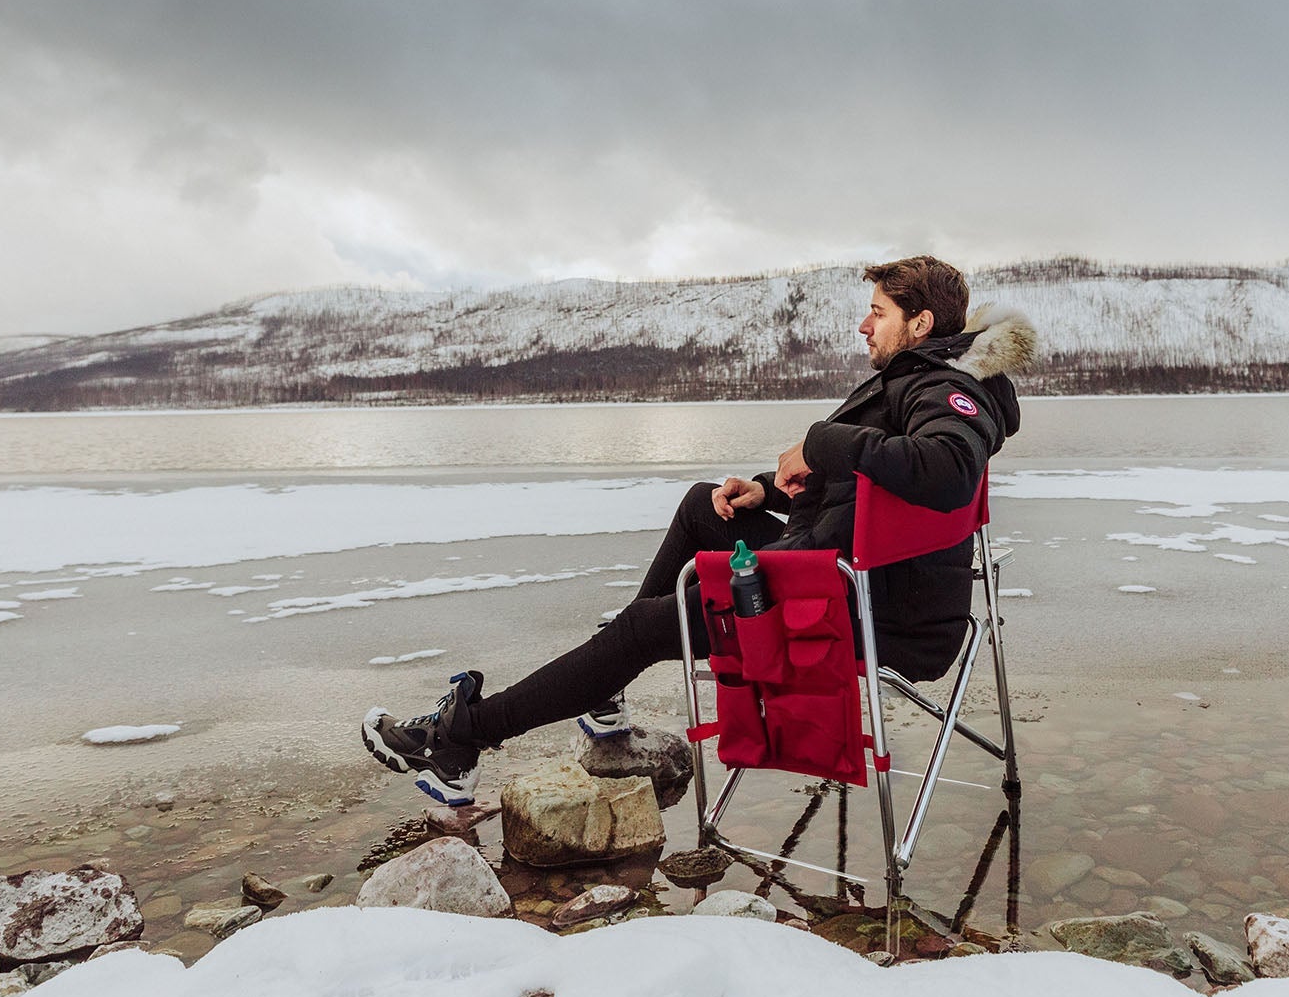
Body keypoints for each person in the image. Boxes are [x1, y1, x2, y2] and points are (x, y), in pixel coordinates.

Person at [361, 255, 1035, 805]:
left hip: (857, 608)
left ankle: (462, 741)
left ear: (919, 323)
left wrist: (821, 441)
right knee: (703, 506)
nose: (864, 326)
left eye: (879, 314)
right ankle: (601, 687)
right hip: (840, 572)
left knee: (646, 627)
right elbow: (865, 488)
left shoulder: (948, 391)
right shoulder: (915, 380)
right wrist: (769, 489)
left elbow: (943, 470)